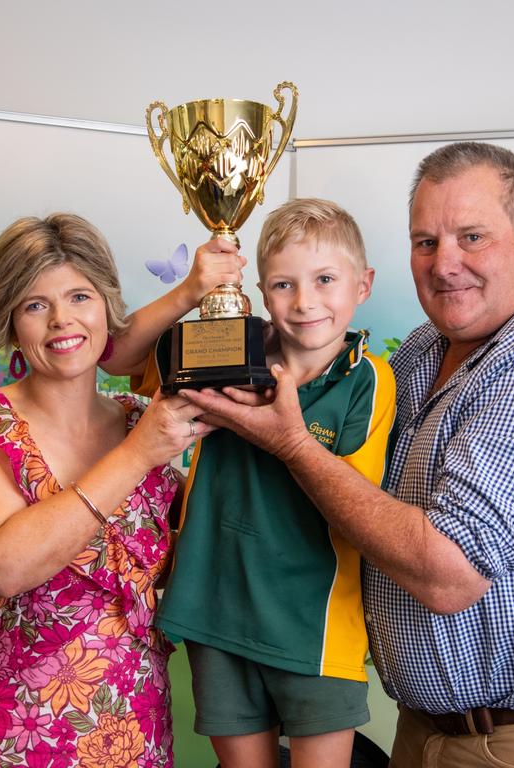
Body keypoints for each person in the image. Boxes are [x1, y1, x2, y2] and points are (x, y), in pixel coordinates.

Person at [182, 143, 514, 768]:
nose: (446, 263)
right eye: (426, 242)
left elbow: (447, 573)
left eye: (473, 236)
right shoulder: (416, 356)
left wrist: (292, 443)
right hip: (426, 733)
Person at [0, 213, 230, 768]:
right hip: (6, 736)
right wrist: (136, 455)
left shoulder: (148, 418)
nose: (63, 321)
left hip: (131, 729)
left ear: (107, 307)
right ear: (11, 323)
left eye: (80, 296)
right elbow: (3, 567)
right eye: (35, 305)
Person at [109, 199, 395, 768]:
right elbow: (118, 353)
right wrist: (193, 289)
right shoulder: (228, 345)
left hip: (314, 626)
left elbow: (353, 506)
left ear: (362, 285)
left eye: (326, 279)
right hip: (215, 610)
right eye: (285, 284)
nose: (306, 301)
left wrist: (281, 433)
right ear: (262, 294)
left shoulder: (368, 378)